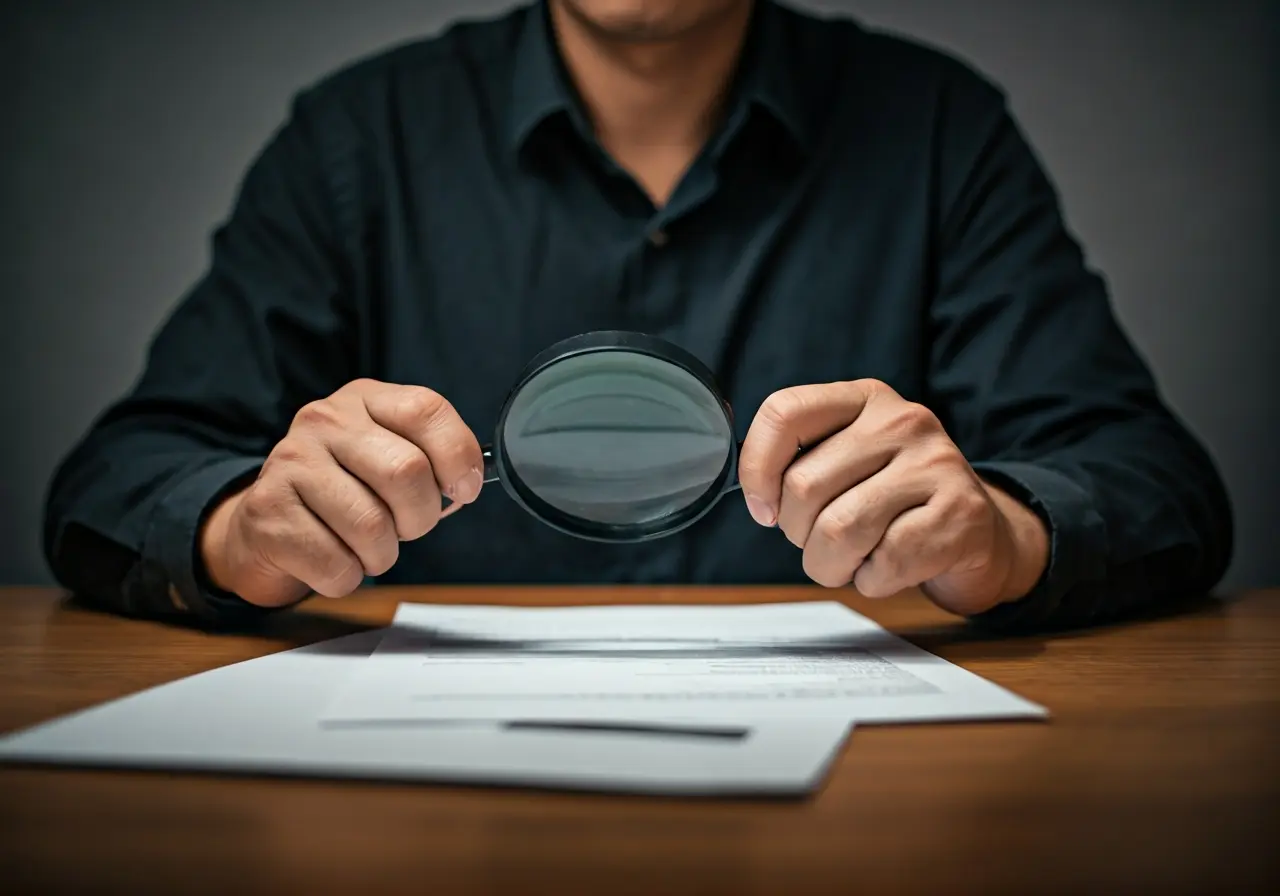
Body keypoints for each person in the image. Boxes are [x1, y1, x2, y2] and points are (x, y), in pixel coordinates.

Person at [44, 0, 1232, 632]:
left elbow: (1154, 481)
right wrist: (236, 532)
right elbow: (116, 476)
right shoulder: (357, 139)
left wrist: (1005, 536)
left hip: (867, 814)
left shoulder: (935, 130)